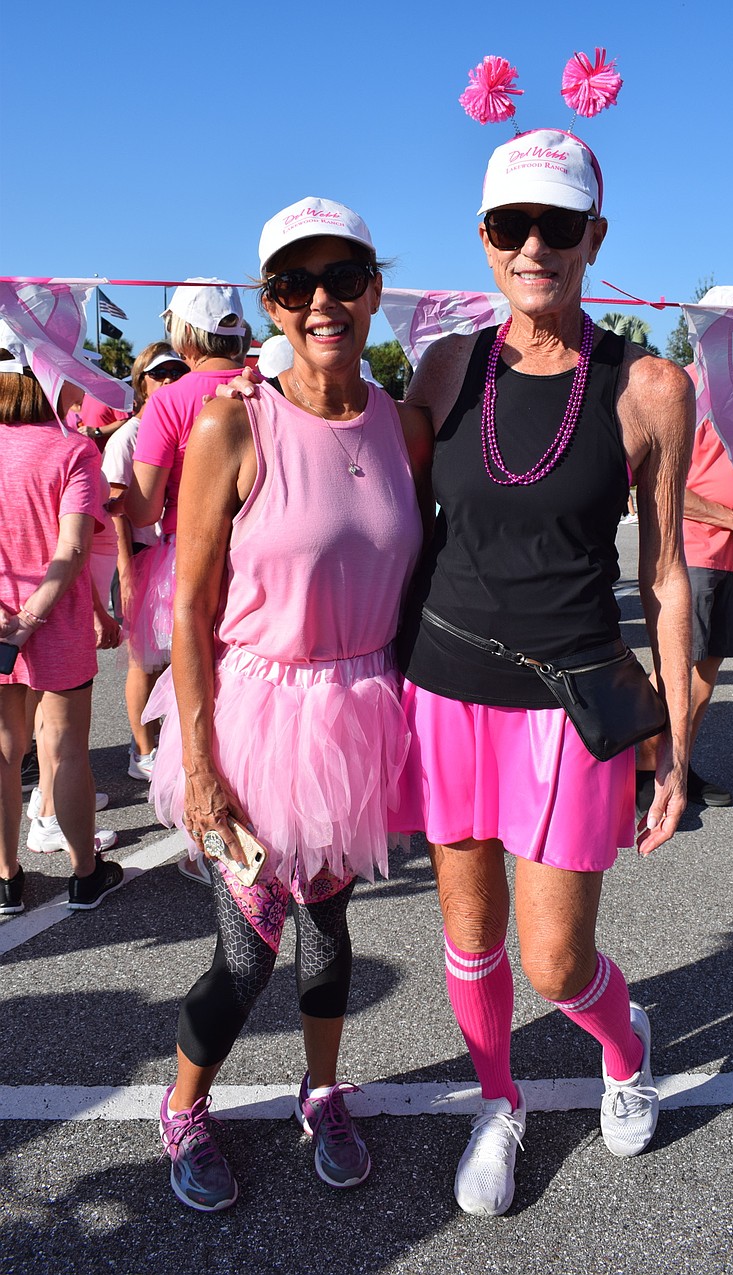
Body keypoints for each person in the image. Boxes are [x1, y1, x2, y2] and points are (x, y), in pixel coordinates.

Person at [392, 129, 694, 1216]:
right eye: (510, 226)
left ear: (592, 238)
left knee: (556, 964)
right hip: (444, 689)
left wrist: (675, 748)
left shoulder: (648, 384)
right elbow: (370, 498)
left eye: (555, 226)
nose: (533, 246)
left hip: (568, 705)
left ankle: (623, 1046)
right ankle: (497, 1102)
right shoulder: (442, 367)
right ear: (482, 240)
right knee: (469, 941)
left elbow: (663, 577)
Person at [143, 197, 430, 1211]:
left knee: (329, 929)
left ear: (373, 291)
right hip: (254, 714)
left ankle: (320, 1090)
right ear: (268, 301)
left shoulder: (406, 425)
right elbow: (189, 607)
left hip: (360, 707)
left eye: (343, 278)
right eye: (293, 285)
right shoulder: (233, 421)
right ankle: (183, 1107)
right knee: (247, 946)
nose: (321, 301)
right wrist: (204, 765)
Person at [641, 285, 733, 810]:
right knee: (677, 671)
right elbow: (662, 488)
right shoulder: (684, 387)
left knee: (705, 674)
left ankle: (677, 766)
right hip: (695, 549)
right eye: (730, 323)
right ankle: (647, 774)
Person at [0, 350, 123, 915]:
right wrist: (32, 621)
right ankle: (83, 873)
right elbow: (72, 549)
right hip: (55, 624)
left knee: (4, 751)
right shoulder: (73, 449)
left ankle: (6, 880)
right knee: (68, 749)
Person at [123, 281, 249, 781]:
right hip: (264, 557)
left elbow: (144, 506)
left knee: (195, 691)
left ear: (186, 335)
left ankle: (208, 835)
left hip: (191, 560)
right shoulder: (273, 386)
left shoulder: (169, 402)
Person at [102, 343, 188, 787]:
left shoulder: (179, 425)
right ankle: (143, 750)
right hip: (140, 559)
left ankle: (166, 746)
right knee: (144, 662)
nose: (170, 381)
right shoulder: (127, 436)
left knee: (179, 659)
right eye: (160, 375)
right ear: (142, 383)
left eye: (177, 371)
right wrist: (126, 576)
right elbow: (115, 510)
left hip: (174, 558)